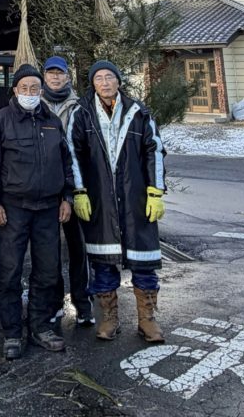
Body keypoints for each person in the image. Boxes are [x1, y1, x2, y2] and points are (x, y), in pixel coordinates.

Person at [68, 60, 167, 344]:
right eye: (98, 78)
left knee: (143, 261)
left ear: (119, 81)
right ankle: (109, 318)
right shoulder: (83, 114)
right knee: (103, 261)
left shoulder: (139, 112)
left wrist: (155, 191)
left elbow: (155, 150)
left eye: (109, 77)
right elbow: (72, 152)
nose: (104, 82)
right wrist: (79, 191)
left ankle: (147, 319)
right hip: (99, 199)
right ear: (93, 84)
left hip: (136, 198)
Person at [0, 63, 74, 360]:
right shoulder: (2, 120)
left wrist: (67, 197)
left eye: (35, 88)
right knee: (10, 273)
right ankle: (11, 332)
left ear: (41, 90)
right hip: (13, 209)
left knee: (47, 272)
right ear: (15, 90)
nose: (30, 93)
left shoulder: (51, 121)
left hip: (48, 209)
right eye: (25, 88)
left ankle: (40, 326)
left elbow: (66, 163)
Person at [41, 55, 94, 327]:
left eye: (59, 73)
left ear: (67, 77)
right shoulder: (35, 105)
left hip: (75, 185)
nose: (55, 77)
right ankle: (55, 303)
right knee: (49, 250)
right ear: (44, 76)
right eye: (50, 73)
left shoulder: (80, 107)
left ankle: (83, 303)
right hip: (47, 187)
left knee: (78, 248)